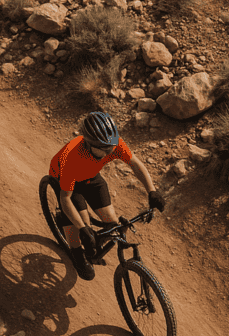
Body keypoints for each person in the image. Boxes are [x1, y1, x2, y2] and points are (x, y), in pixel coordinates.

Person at [47, 111, 165, 280]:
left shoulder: (112, 144)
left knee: (111, 222)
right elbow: (65, 198)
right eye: (105, 149)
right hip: (64, 178)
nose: (110, 152)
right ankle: (77, 254)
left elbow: (135, 164)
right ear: (89, 144)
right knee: (81, 223)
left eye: (111, 147)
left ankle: (92, 242)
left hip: (91, 176)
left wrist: (152, 191)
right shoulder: (72, 157)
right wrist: (83, 229)